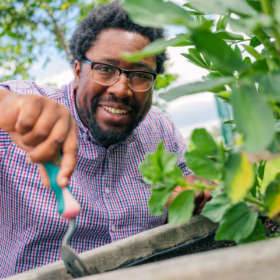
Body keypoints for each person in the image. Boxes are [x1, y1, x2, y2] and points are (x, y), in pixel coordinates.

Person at [0, 2, 212, 278]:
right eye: (105, 69)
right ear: (78, 70)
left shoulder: (159, 128)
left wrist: (192, 195)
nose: (121, 89)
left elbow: (190, 185)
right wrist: (11, 108)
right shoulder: (26, 115)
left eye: (140, 75)